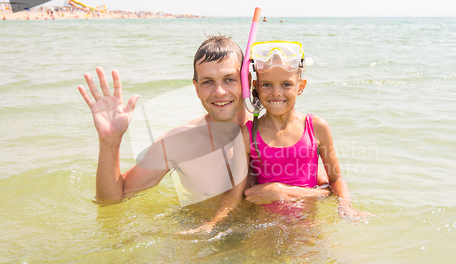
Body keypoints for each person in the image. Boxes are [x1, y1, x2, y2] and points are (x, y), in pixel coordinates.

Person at [78, 35, 329, 233]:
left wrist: (285, 191)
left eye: (229, 79)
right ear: (196, 88)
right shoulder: (176, 144)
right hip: (207, 246)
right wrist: (110, 142)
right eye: (208, 82)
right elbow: (112, 201)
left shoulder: (280, 136)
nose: (219, 91)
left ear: (247, 83)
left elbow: (327, 191)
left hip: (270, 246)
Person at [242, 41, 369, 220]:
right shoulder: (248, 134)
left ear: (301, 86)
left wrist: (345, 204)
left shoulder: (316, 127)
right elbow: (244, 193)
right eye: (267, 85)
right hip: (266, 229)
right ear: (255, 86)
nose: (276, 92)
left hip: (307, 226)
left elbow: (336, 180)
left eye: (286, 84)